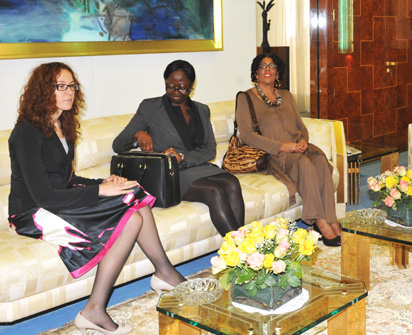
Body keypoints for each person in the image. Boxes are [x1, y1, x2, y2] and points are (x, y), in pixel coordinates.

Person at [8, 62, 186, 334]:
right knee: (129, 219)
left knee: (133, 195)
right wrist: (101, 191)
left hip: (58, 199)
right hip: (32, 212)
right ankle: (96, 309)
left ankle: (164, 273)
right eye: (61, 86)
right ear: (44, 90)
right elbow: (44, 195)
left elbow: (66, 179)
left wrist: (105, 182)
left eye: (72, 86)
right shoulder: (27, 132)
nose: (70, 92)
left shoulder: (60, 125)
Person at [113, 60, 245, 237]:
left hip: (196, 166)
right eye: (170, 86)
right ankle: (240, 250)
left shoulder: (201, 110)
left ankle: (241, 247)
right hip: (169, 173)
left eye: (182, 87)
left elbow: (210, 150)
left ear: (191, 86)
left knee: (232, 183)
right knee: (215, 191)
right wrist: (137, 135)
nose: (175, 92)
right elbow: (118, 145)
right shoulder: (150, 108)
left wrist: (183, 157)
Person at [235, 52, 341, 247]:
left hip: (298, 148)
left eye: (272, 66)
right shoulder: (246, 98)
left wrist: (303, 141)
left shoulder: (287, 95)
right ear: (256, 73)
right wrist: (282, 146)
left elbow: (301, 126)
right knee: (304, 164)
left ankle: (331, 218)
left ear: (277, 73)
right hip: (276, 153)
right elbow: (247, 135)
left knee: (320, 161)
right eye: (263, 66)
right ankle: (320, 221)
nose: (268, 69)